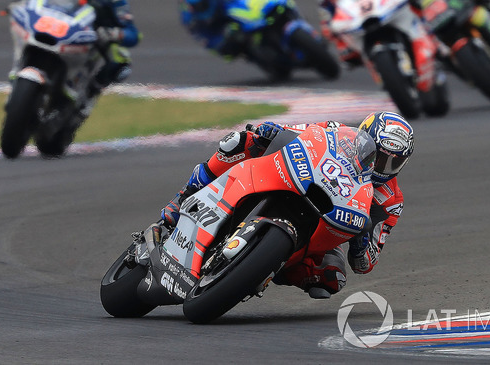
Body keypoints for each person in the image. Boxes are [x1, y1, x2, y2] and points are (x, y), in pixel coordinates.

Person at [160, 111, 413, 299]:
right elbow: (300, 131)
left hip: (323, 229)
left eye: (392, 163)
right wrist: (271, 130)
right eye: (378, 156)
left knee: (332, 278)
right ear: (363, 135)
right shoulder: (336, 130)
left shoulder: (391, 201)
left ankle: (268, 266)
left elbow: (366, 264)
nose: (381, 166)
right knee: (240, 141)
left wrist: (362, 239)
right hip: (295, 179)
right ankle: (183, 197)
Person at [35, 0, 141, 91]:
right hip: (59, 22)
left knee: (121, 60)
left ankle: (91, 91)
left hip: (93, 35)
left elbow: (133, 34)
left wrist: (112, 34)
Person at [175, 0, 293, 67]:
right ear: (188, 5)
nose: (201, 6)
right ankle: (261, 57)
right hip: (224, 29)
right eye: (197, 5)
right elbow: (206, 40)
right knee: (233, 46)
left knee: (274, 2)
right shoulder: (190, 19)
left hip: (236, 11)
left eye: (203, 1)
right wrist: (223, 40)